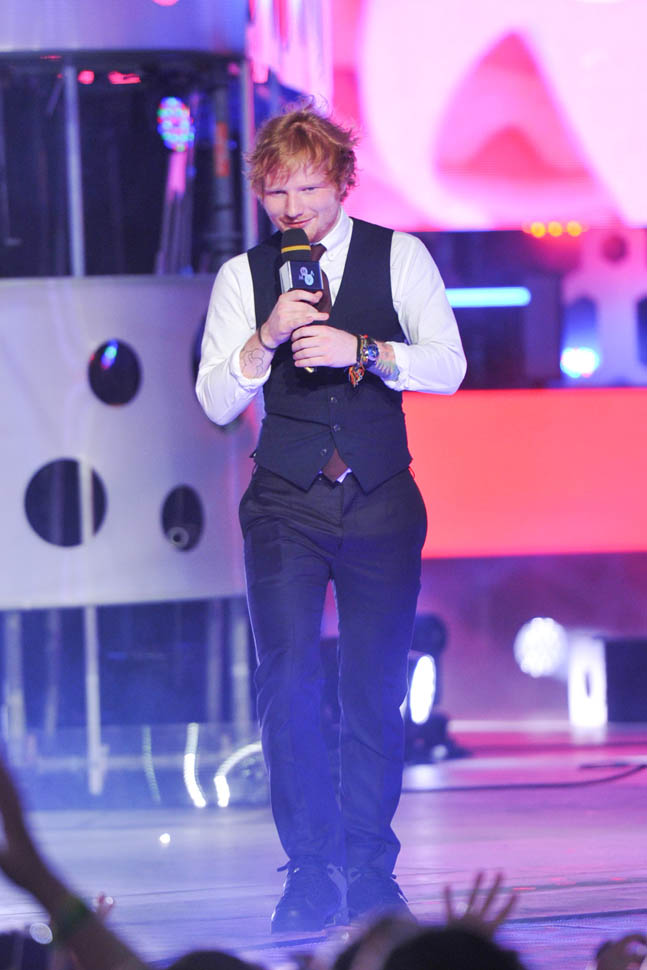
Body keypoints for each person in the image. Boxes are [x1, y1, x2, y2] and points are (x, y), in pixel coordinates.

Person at [196, 102, 466, 934]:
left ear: (342, 183)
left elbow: (449, 365)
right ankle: (309, 871)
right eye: (276, 192)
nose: (293, 207)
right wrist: (264, 339)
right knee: (288, 685)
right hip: (285, 500)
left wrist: (367, 352)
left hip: (380, 498)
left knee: (373, 688)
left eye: (308, 188)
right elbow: (214, 399)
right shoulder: (245, 276)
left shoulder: (399, 255)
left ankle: (370, 870)